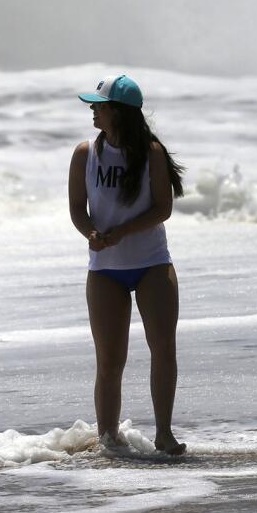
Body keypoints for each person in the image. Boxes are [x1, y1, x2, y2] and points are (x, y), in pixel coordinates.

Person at [69, 74, 187, 456]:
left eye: (99, 106)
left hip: (152, 264)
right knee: (110, 360)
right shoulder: (85, 153)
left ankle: (164, 434)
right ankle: (108, 440)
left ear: (118, 112)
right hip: (105, 271)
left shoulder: (151, 153)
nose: (93, 110)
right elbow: (76, 208)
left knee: (162, 348)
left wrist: (121, 231)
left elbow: (162, 208)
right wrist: (91, 233)